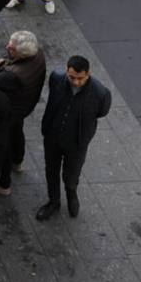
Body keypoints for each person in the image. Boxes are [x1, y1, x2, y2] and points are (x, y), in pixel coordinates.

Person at [37, 55, 112, 220]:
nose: (76, 82)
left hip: (76, 143)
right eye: (72, 77)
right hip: (52, 136)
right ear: (66, 71)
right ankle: (54, 201)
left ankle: (72, 195)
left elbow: (102, 112)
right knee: (51, 171)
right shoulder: (57, 78)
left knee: (71, 175)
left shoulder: (100, 93)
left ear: (88, 74)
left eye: (80, 78)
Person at [0, 29, 46, 194]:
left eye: (12, 48)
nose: (7, 46)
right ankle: (18, 160)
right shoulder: (38, 55)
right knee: (17, 132)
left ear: (22, 55)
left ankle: (4, 183)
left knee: (5, 145)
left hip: (10, 110)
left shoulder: (12, 75)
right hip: (24, 105)